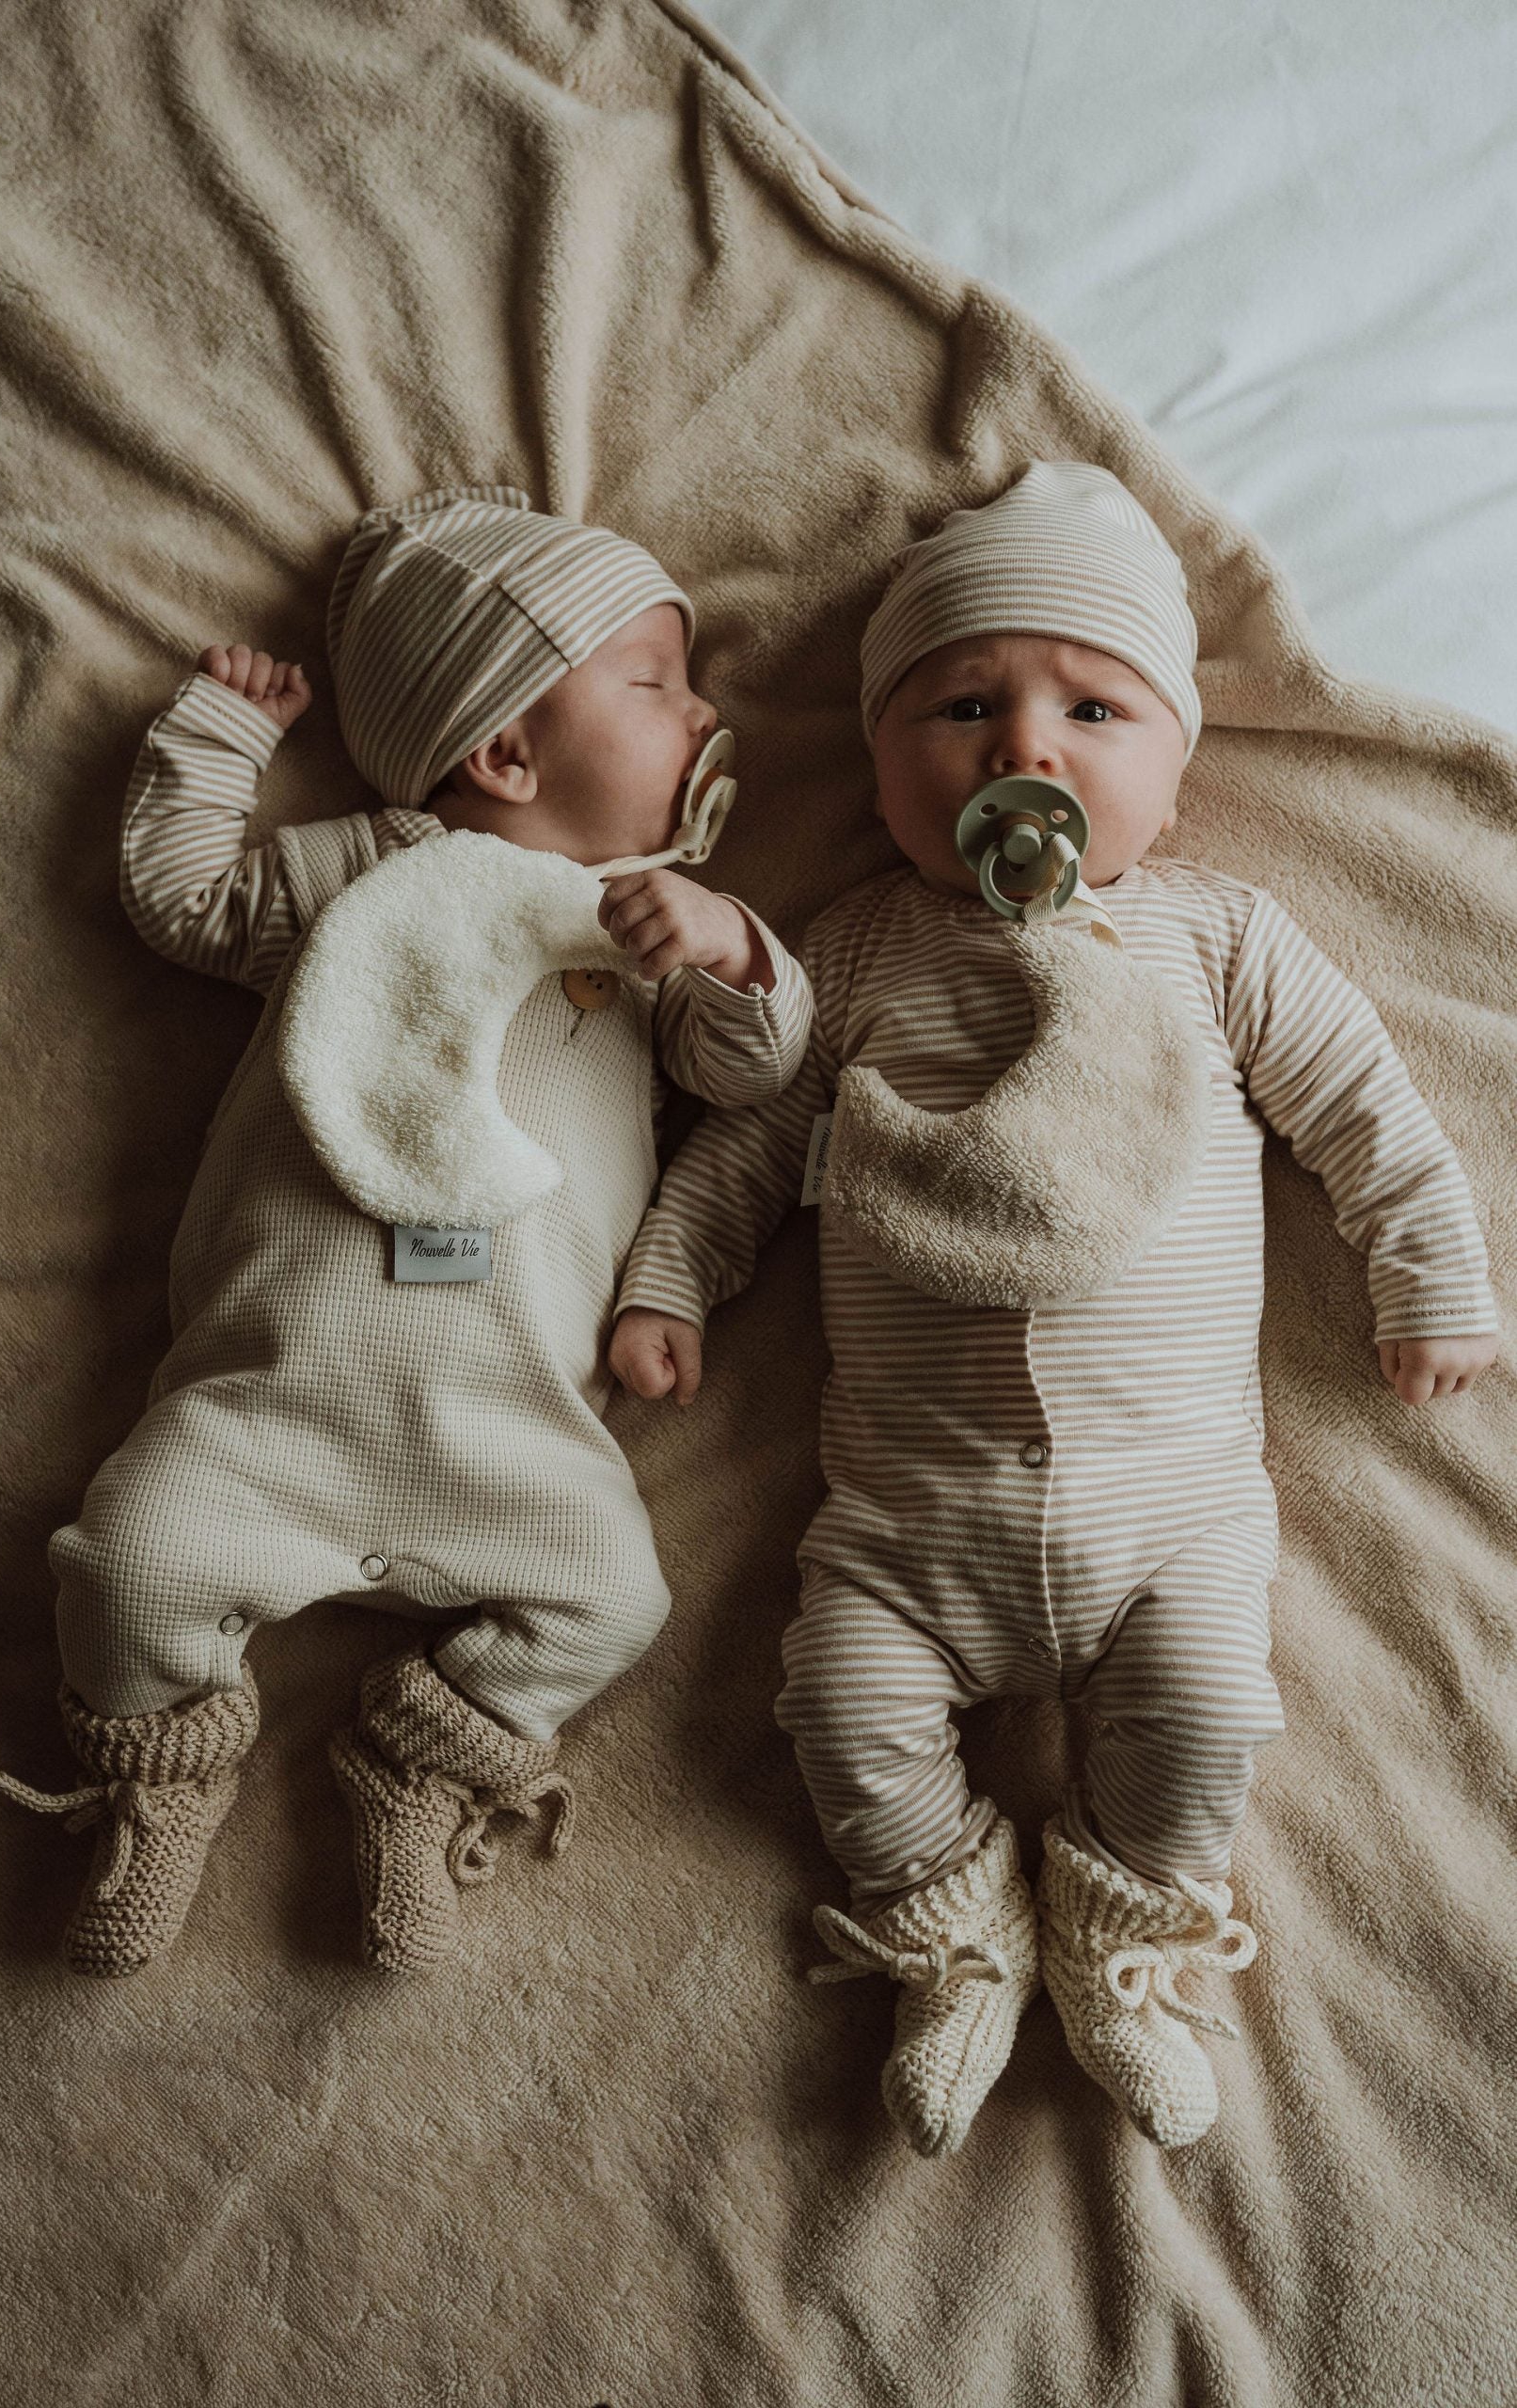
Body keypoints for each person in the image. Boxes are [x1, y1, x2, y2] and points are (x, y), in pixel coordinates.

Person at [609, 461, 1499, 2152]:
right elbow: (749, 1148)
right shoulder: (855, 956)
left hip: (1171, 1507)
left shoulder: (1216, 939)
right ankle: (952, 1927)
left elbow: (1366, 1112)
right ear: (880, 771)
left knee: (1209, 1715)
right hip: (906, 1520)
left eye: (1093, 708)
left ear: (1171, 768)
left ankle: (1121, 1937)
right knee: (837, 1704)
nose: (1025, 749)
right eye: (959, 707)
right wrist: (673, 1280)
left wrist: (1428, 1269)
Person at [0, 486, 813, 1982]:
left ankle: (422, 1763)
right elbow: (181, 900)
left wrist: (733, 946)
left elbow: (755, 1074)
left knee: (614, 1593)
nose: (705, 712)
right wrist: (217, 741)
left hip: (514, 1432)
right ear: (504, 748)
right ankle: (159, 1781)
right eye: (653, 681)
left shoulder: (639, 921)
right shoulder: (350, 877)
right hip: (263, 1407)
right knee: (125, 1566)